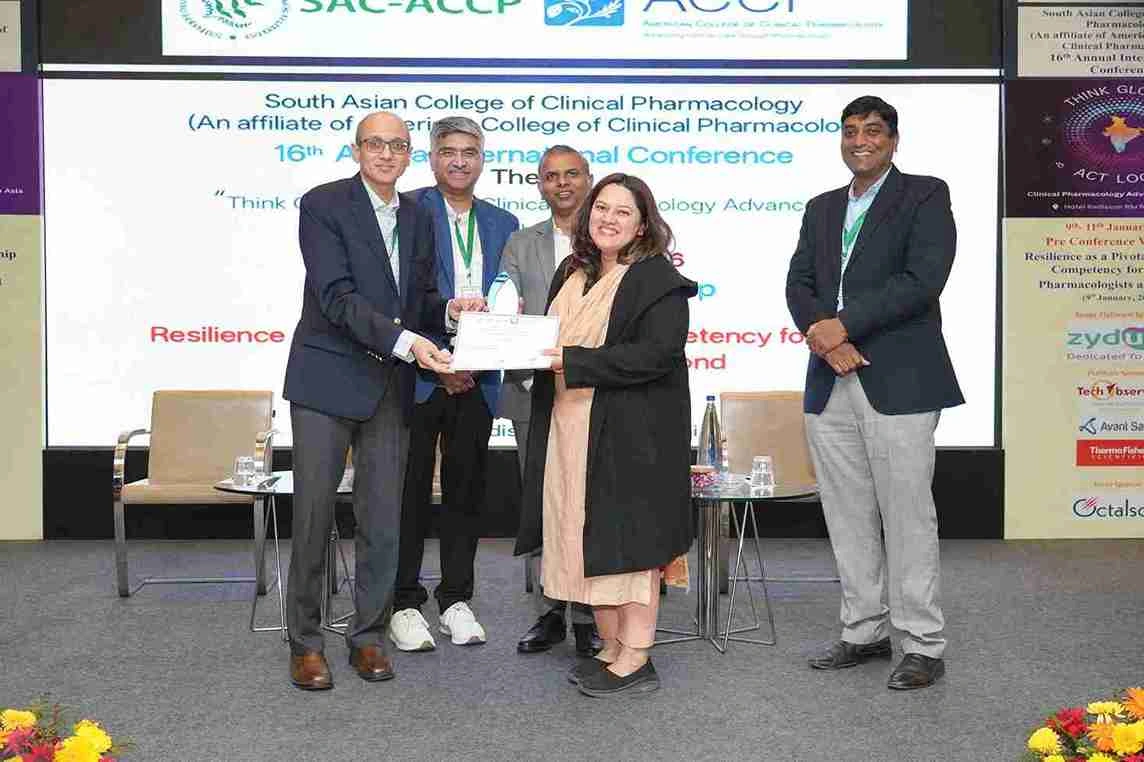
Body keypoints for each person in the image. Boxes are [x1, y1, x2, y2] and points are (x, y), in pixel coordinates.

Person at [282, 111, 481, 690]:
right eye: (376, 143)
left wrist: (447, 313)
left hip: (389, 387)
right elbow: (337, 297)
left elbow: (417, 298)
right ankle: (305, 643)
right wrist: (409, 343)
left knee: (382, 519)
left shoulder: (418, 215)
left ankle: (367, 636)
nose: (387, 154)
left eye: (398, 145)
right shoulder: (323, 204)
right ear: (357, 150)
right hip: (326, 382)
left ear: (410, 153)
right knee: (314, 517)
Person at [785, 95, 963, 691]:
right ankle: (863, 630)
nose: (859, 140)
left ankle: (922, 643)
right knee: (847, 515)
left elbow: (922, 281)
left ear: (893, 140)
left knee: (907, 517)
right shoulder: (822, 207)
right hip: (829, 377)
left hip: (900, 378)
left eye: (872, 131)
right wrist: (825, 338)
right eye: (850, 131)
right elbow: (799, 282)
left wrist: (843, 326)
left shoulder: (924, 195)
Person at [515, 173, 697, 697]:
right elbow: (545, 336)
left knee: (627, 546)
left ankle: (637, 656)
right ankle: (612, 647)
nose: (608, 218)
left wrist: (571, 361)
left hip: (629, 438)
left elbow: (655, 355)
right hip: (571, 430)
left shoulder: (658, 279)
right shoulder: (573, 271)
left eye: (623, 211)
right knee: (584, 540)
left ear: (643, 224)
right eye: (601, 208)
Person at [389, 116, 519, 652]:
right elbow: (399, 295)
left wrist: (474, 362)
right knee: (409, 492)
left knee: (466, 491)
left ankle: (456, 598)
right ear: (432, 158)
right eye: (449, 151)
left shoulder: (503, 222)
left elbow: (509, 300)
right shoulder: (407, 211)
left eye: (469, 152)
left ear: (482, 159)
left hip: (477, 378)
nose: (459, 161)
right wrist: (439, 358)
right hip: (417, 373)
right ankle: (403, 601)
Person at [500, 145, 602, 657]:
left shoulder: (612, 237)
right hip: (533, 392)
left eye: (572, 174)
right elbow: (507, 314)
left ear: (589, 178)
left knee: (589, 506)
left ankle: (588, 614)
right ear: (540, 184)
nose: (562, 184)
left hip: (595, 394)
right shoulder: (521, 242)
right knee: (542, 505)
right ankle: (549, 611)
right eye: (551, 176)